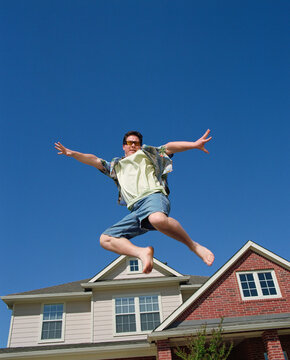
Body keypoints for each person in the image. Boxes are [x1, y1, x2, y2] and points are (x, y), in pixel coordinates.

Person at [54, 130, 214, 274]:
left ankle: (194, 246)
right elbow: (94, 160)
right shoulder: (115, 167)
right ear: (123, 146)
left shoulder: (147, 154)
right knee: (106, 239)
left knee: (157, 219)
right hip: (135, 210)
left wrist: (194, 144)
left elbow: (170, 147)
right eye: (129, 143)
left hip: (153, 196)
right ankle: (141, 253)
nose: (132, 145)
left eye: (136, 143)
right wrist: (72, 153)